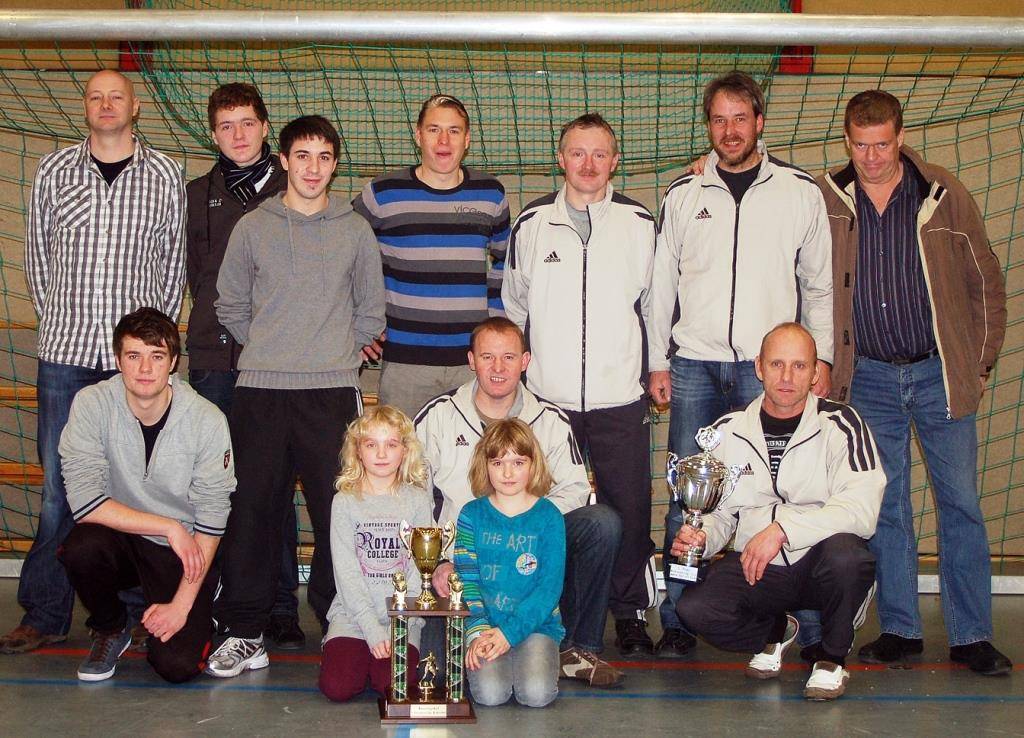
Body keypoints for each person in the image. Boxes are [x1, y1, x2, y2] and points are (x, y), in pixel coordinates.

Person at [821, 90, 1011, 676]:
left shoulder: (944, 194)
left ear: (900, 139)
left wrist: (974, 365)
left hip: (938, 374)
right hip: (868, 378)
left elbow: (987, 284)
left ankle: (972, 635)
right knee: (887, 507)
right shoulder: (826, 198)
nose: (871, 157)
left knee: (962, 505)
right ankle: (900, 628)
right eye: (860, 146)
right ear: (847, 141)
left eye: (882, 145)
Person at [648, 71, 833, 656]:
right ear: (710, 127)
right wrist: (658, 360)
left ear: (760, 123)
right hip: (696, 366)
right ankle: (678, 621)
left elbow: (820, 287)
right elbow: (661, 287)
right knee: (688, 503)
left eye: (739, 118)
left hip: (768, 375)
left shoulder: (800, 192)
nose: (729, 130)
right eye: (718, 120)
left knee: (792, 497)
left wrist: (820, 356)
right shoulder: (683, 194)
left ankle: (811, 624)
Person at [3, 69, 186, 655]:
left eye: (117, 96)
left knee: (138, 485)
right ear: (86, 108)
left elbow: (172, 268)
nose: (106, 105)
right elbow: (36, 263)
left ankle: (131, 609)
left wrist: (152, 351)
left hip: (137, 368)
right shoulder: (54, 171)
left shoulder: (165, 175)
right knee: (60, 489)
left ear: (135, 108)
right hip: (66, 354)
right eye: (95, 96)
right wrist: (60, 318)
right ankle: (46, 610)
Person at [205, 115, 386, 678]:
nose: (313, 168)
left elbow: (371, 311)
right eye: (302, 156)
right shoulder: (253, 227)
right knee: (254, 511)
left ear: (335, 164)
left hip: (331, 393)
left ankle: (341, 621)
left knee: (341, 512)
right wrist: (267, 347)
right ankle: (245, 629)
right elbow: (228, 303)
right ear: (282, 160)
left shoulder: (355, 230)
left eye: (324, 157)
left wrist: (336, 355)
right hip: (261, 391)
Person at [503, 113, 658, 656]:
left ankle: (631, 613)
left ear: (614, 161)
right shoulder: (531, 225)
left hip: (620, 397)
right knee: (548, 510)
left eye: (599, 154)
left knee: (629, 510)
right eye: (577, 153)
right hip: (549, 402)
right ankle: (546, 608)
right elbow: (515, 306)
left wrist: (655, 368)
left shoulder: (640, 223)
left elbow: (655, 307)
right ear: (560, 158)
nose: (588, 164)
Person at [674, 322, 883, 701]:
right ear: (758, 367)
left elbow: (862, 508)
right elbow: (720, 514)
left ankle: (832, 659)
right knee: (695, 608)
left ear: (816, 371)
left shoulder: (843, 424)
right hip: (759, 566)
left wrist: (784, 530)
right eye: (777, 365)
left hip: (820, 560)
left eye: (800, 366)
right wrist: (702, 537)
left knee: (849, 558)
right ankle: (774, 631)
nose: (787, 377)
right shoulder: (727, 431)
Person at [416, 317, 623, 687]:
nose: (498, 368)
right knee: (436, 675)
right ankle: (481, 635)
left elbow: (576, 489)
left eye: (509, 357)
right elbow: (413, 495)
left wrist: (525, 520)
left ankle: (577, 649)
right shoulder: (438, 416)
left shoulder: (551, 421)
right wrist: (440, 560)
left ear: (525, 361)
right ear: (471, 360)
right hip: (463, 557)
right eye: (488, 357)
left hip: (530, 546)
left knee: (601, 523)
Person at [185, 82, 304, 651]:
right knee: (215, 485)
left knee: (271, 485)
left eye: (247, 123)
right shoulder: (196, 194)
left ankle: (280, 604)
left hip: (279, 364)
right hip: (214, 361)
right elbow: (194, 276)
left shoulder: (296, 187)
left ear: (265, 127)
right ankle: (222, 601)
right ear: (213, 133)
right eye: (225, 125)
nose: (237, 134)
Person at [57, 307, 233, 683]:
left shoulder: (207, 420)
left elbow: (214, 515)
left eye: (157, 356)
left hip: (183, 550)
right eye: (134, 355)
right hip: (124, 536)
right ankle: (110, 627)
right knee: (80, 547)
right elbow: (84, 501)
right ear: (118, 360)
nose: (145, 368)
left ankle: (207, 593)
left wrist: (182, 606)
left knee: (177, 666)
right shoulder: (92, 405)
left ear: (173, 362)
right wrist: (167, 524)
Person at [353, 93, 510, 418]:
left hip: (470, 364)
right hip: (405, 363)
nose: (443, 140)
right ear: (417, 135)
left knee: (477, 466)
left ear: (466, 140)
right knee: (403, 464)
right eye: (434, 129)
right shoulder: (382, 194)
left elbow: (507, 260)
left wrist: (492, 321)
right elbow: (346, 258)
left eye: (454, 131)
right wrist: (359, 322)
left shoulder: (490, 194)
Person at [318, 406, 432, 702]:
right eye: (372, 445)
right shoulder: (344, 502)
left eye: (391, 445)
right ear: (357, 451)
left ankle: (378, 661)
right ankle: (338, 645)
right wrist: (370, 628)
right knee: (338, 687)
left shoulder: (417, 501)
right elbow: (346, 572)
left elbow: (419, 571)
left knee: (394, 689)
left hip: (401, 619)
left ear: (405, 451)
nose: (381, 454)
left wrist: (398, 625)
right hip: (354, 616)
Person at [455, 419, 566, 708]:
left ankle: (539, 658)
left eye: (518, 462)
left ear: (533, 464)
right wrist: (477, 631)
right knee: (491, 695)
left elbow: (548, 590)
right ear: (485, 465)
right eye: (497, 462)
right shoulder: (471, 515)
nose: (507, 472)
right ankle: (504, 657)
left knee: (536, 695)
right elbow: (467, 583)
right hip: (486, 627)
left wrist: (510, 633)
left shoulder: (549, 517)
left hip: (537, 626)